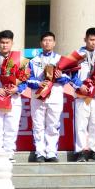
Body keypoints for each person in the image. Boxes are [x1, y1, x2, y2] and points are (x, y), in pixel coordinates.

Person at [26, 31, 72, 162]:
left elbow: (68, 78)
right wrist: (38, 83)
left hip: (55, 96)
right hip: (38, 96)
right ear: (41, 43)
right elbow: (27, 80)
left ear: (54, 43)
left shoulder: (61, 60)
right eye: (45, 40)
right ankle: (39, 152)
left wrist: (60, 76)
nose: (47, 43)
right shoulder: (33, 61)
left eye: (50, 40)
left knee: (53, 124)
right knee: (38, 125)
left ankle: (51, 152)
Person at [0, 30, 26, 158]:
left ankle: (9, 153)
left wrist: (17, 89)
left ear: (12, 43)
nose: (4, 45)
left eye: (7, 42)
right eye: (2, 42)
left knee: (11, 126)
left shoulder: (20, 60)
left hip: (13, 97)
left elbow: (25, 80)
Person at [72, 27, 95, 162]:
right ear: (85, 39)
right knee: (80, 124)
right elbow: (71, 74)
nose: (93, 42)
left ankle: (94, 151)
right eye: (91, 39)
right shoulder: (77, 54)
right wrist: (79, 85)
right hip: (82, 95)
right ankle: (80, 151)